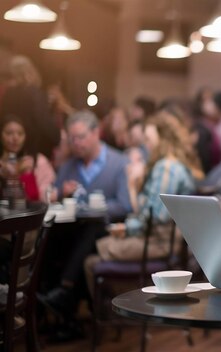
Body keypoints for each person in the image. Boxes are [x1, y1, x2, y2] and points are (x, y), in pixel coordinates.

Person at [38, 110, 133, 339]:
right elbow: (58, 199)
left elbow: (124, 205)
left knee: (92, 229)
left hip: (104, 232)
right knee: (49, 237)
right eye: (72, 138)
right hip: (72, 231)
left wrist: (92, 205)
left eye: (80, 137)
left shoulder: (119, 162)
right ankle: (57, 301)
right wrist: (62, 194)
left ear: (96, 133)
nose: (76, 143)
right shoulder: (70, 166)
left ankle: (64, 295)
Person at [83, 111, 200, 296]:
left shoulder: (166, 168)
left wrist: (127, 228)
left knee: (90, 251)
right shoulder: (172, 165)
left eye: (148, 138)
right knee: (90, 247)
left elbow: (156, 216)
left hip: (157, 243)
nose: (146, 144)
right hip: (160, 240)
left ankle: (111, 313)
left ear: (162, 138)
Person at [0, 56, 60, 159]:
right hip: (34, 152)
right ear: (30, 72)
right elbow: (44, 122)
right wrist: (58, 138)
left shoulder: (8, 95)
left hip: (10, 151)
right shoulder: (35, 94)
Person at [0, 114, 55, 201]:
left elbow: (42, 198)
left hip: (31, 212)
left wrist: (25, 176)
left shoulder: (38, 161)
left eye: (20, 133)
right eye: (9, 133)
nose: (15, 138)